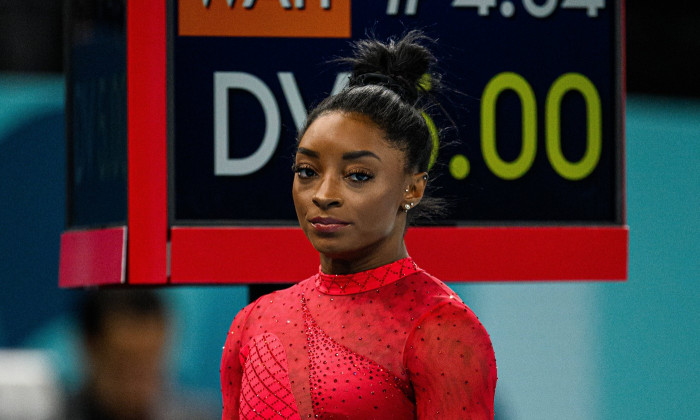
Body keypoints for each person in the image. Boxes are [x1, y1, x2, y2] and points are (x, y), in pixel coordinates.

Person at [221, 31, 497, 419]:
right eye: (307, 171)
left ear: (412, 188)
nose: (324, 194)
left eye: (358, 175)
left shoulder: (441, 328)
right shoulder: (252, 322)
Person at [65, 289, 215, 420]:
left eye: (149, 363)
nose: (137, 383)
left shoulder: (198, 415)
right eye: (124, 364)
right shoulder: (55, 413)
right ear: (90, 346)